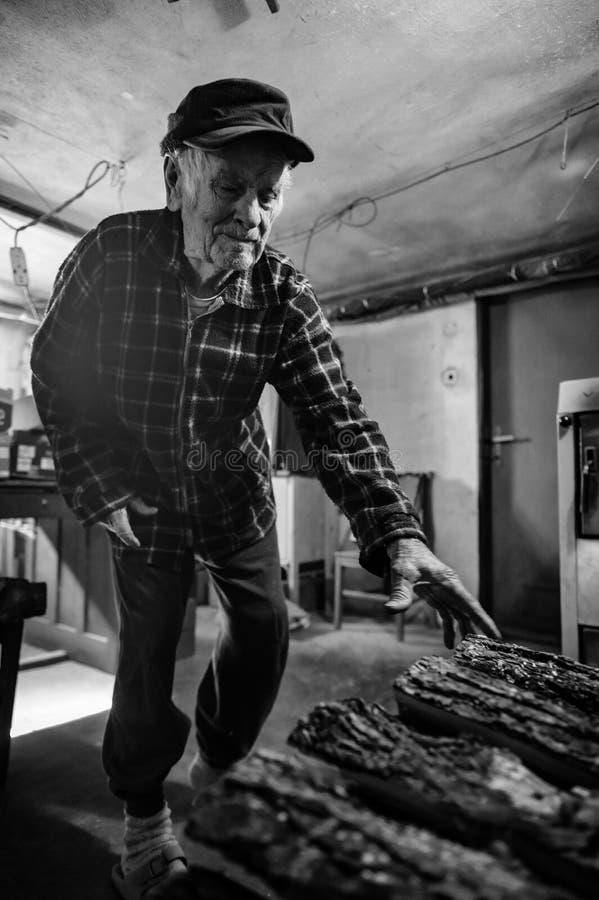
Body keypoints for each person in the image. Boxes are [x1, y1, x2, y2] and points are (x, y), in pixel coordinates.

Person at [30, 78, 501, 898]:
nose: (250, 213)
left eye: (268, 195)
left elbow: (334, 416)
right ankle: (143, 818)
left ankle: (217, 761)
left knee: (262, 631)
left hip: (232, 491)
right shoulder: (109, 253)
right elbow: (56, 374)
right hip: (138, 498)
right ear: (177, 173)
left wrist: (399, 532)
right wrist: (99, 486)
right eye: (229, 186)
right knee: (145, 660)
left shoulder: (283, 294)